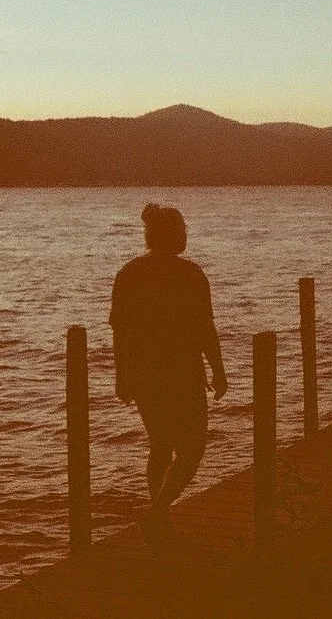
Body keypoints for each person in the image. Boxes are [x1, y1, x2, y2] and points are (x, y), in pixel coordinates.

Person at [110, 203, 227, 541]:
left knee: (160, 446)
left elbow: (121, 332)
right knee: (192, 452)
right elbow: (206, 327)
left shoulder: (129, 273)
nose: (186, 236)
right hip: (183, 372)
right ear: (174, 236)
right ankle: (159, 512)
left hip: (145, 374)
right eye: (183, 231)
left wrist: (122, 374)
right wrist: (218, 370)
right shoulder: (191, 275)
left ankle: (159, 518)